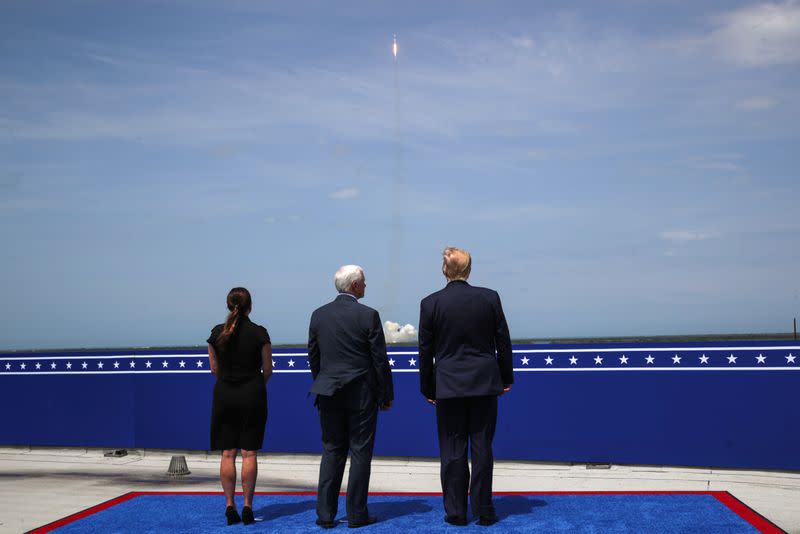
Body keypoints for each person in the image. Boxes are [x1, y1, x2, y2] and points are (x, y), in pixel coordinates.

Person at [418, 247, 514, 527]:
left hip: (447, 385)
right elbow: (503, 342)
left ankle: (456, 510)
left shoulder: (430, 303)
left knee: (452, 449)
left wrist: (428, 388)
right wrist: (505, 378)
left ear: (444, 270)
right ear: (469, 270)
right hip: (484, 383)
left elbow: (426, 352)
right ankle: (484, 508)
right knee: (482, 446)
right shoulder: (489, 298)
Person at [308, 265, 394, 529]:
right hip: (361, 395)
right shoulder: (368, 316)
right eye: (364, 282)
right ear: (355, 285)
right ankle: (356, 514)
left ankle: (325, 514)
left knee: (332, 451)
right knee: (359, 453)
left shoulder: (318, 315)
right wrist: (386, 394)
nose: (366, 285)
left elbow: (314, 355)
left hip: (328, 392)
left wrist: (323, 382)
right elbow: (379, 359)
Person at [207, 287, 273, 526]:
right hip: (252, 395)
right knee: (249, 453)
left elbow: (214, 369)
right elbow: (268, 370)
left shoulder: (216, 333)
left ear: (228, 305)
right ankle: (247, 506)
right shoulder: (259, 333)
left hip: (225, 395)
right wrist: (253, 385)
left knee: (227, 453)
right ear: (250, 307)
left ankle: (229, 506)